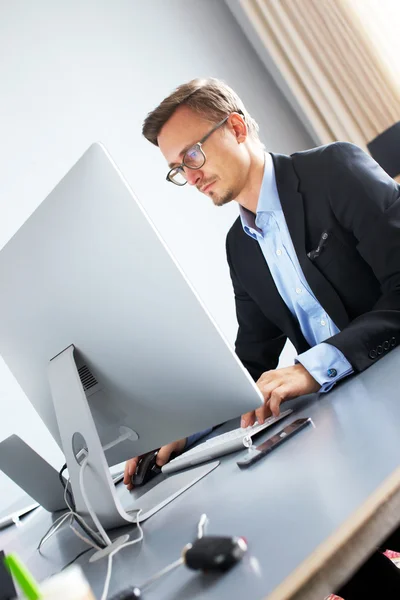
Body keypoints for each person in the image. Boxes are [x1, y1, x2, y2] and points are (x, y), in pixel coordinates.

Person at [123, 78, 400, 599]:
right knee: (308, 520)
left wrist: (312, 367)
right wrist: (185, 426)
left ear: (236, 125)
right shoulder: (241, 246)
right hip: (354, 420)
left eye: (193, 154)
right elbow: (252, 353)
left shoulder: (334, 171)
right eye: (178, 168)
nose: (191, 174)